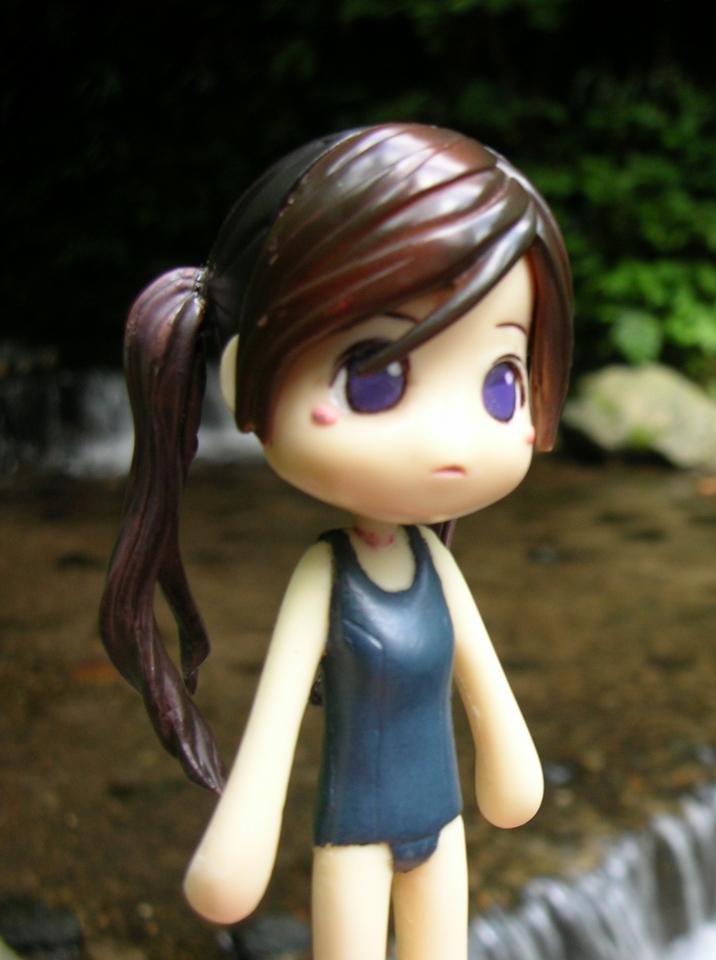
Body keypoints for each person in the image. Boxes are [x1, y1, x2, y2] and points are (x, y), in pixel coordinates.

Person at [99, 123, 573, 959]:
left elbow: (483, 679)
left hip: (443, 824)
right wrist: (243, 834)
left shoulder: (435, 566)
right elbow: (276, 722)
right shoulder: (327, 574)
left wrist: (509, 760)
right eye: (376, 376)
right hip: (353, 832)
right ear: (245, 381)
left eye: (501, 384)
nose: (452, 438)